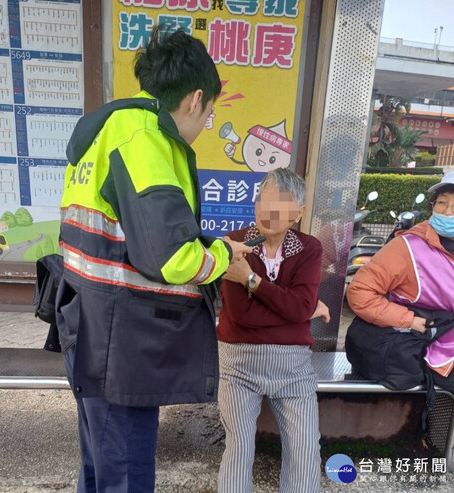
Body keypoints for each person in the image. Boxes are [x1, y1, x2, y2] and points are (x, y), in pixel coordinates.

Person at [56, 28, 251, 493]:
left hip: (87, 320)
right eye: (209, 113)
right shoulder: (145, 140)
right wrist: (222, 256)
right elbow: (170, 258)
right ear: (194, 98)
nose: (205, 123)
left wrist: (208, 242)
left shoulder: (107, 127)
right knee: (125, 472)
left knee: (99, 464)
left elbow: (127, 230)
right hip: (121, 342)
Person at [216, 168, 329, 493]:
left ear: (299, 212)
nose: (270, 211)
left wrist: (252, 281)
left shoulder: (309, 248)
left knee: (306, 449)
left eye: (281, 203)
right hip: (238, 365)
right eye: (264, 202)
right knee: (239, 447)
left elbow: (300, 307)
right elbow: (242, 315)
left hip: (294, 368)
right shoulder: (234, 243)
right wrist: (297, 310)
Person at [347, 171, 454, 385]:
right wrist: (410, 321)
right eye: (442, 203)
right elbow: (360, 293)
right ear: (432, 205)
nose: (448, 212)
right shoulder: (408, 247)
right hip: (430, 351)